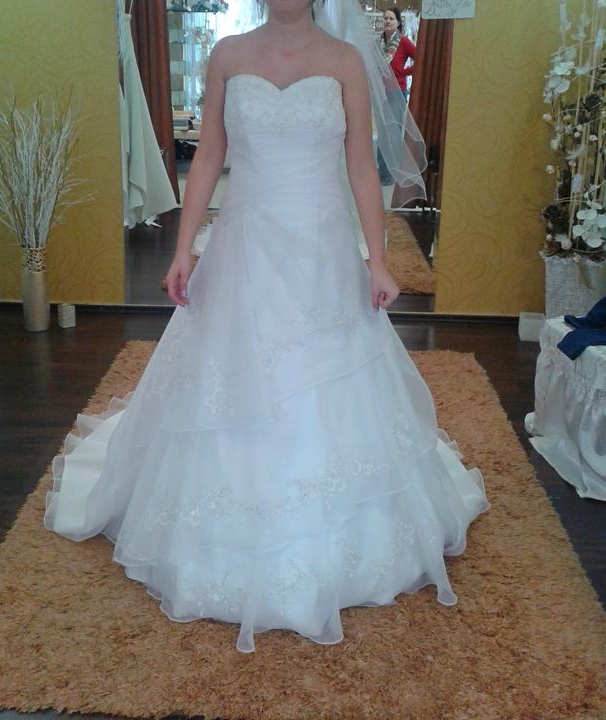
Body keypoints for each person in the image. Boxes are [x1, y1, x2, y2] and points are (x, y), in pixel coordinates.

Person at [44, 0, 488, 653]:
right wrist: (182, 248)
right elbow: (206, 157)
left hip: (321, 251)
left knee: (327, 380)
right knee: (234, 374)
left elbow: (362, 167)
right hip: (245, 247)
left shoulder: (344, 61)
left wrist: (377, 259)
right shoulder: (228, 56)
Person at [381, 7, 415, 100]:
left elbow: (421, 60)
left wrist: (404, 72)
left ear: (398, 23)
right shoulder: (377, 43)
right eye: (385, 18)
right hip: (380, 91)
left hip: (397, 91)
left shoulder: (403, 41)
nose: (387, 21)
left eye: (391, 19)